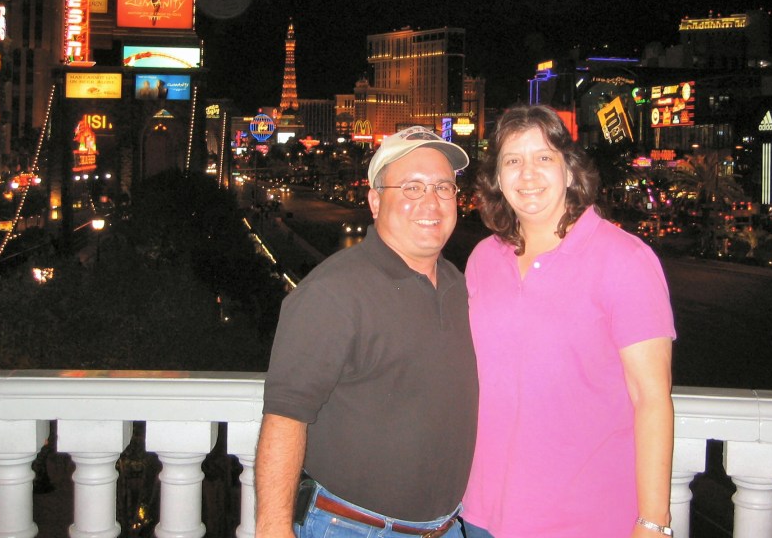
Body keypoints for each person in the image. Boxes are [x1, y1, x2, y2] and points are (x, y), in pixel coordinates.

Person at [462, 105, 676, 538]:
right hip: (484, 512)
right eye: (512, 160)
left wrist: (653, 521)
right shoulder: (484, 259)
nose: (528, 174)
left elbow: (652, 399)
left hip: (585, 518)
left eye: (544, 157)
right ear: (497, 179)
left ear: (569, 170)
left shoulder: (624, 259)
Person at [254, 126, 477, 538]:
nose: (431, 202)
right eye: (412, 188)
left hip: (446, 527)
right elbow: (284, 418)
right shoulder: (332, 292)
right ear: (375, 201)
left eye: (443, 187)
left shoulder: (459, 285)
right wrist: (273, 528)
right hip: (352, 527)